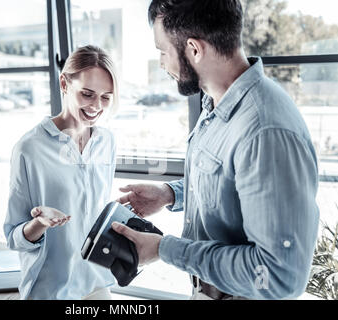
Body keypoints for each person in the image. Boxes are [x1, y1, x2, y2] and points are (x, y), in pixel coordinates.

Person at [112, 0, 319, 300]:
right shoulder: (218, 103)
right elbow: (232, 182)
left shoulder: (265, 131)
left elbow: (277, 277)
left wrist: (162, 248)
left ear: (194, 50)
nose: (161, 63)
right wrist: (171, 194)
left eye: (162, 51)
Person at [4, 45, 119, 300]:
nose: (96, 106)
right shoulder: (29, 149)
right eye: (87, 94)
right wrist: (39, 224)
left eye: (106, 97)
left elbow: (94, 214)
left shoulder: (107, 142)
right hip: (51, 290)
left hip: (96, 282)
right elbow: (13, 237)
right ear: (64, 84)